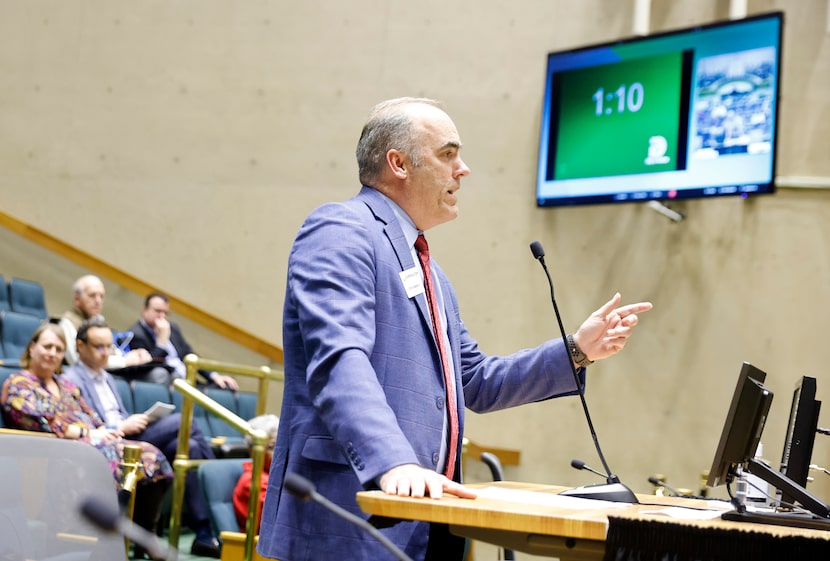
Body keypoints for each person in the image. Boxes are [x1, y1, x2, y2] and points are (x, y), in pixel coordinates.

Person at [256, 97, 653, 561]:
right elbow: (340, 359)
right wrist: (393, 460)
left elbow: (474, 381)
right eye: (448, 154)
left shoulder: (433, 276)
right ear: (399, 163)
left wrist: (577, 351)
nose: (462, 170)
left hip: (430, 516)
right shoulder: (341, 229)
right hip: (352, 509)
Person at [0, 322, 174, 550]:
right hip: (58, 451)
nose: (52, 353)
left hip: (93, 442)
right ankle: (109, 540)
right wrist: (87, 433)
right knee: (116, 459)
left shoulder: (67, 385)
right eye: (47, 346)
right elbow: (39, 421)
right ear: (32, 348)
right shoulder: (18, 383)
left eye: (59, 349)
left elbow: (93, 417)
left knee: (152, 456)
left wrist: (102, 431)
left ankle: (141, 535)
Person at [62, 316, 223, 558]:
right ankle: (210, 485)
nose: (106, 353)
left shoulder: (106, 377)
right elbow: (88, 424)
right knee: (183, 421)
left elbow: (118, 413)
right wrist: (123, 425)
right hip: (110, 441)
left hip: (130, 435)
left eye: (109, 346)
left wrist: (134, 420)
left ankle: (201, 533)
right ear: (80, 346)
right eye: (99, 347)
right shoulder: (71, 379)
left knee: (189, 446)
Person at [59, 274, 170, 384]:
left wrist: (133, 356)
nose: (98, 301)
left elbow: (112, 352)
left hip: (108, 373)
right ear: (77, 299)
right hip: (85, 379)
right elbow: (77, 360)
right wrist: (124, 361)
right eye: (92, 295)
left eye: (101, 296)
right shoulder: (67, 323)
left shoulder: (97, 321)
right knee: (158, 375)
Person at [126, 292, 239, 389]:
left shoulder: (172, 328)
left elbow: (189, 355)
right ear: (145, 310)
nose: (162, 316)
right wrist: (162, 341)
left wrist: (214, 376)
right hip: (169, 384)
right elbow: (149, 366)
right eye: (158, 311)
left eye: (165, 313)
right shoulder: (136, 334)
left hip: (189, 382)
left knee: (226, 386)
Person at [232, 414, 279, 531]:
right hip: (256, 545)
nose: (279, 453)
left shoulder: (273, 474)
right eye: (272, 447)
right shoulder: (253, 480)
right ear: (253, 452)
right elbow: (273, 521)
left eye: (281, 447)